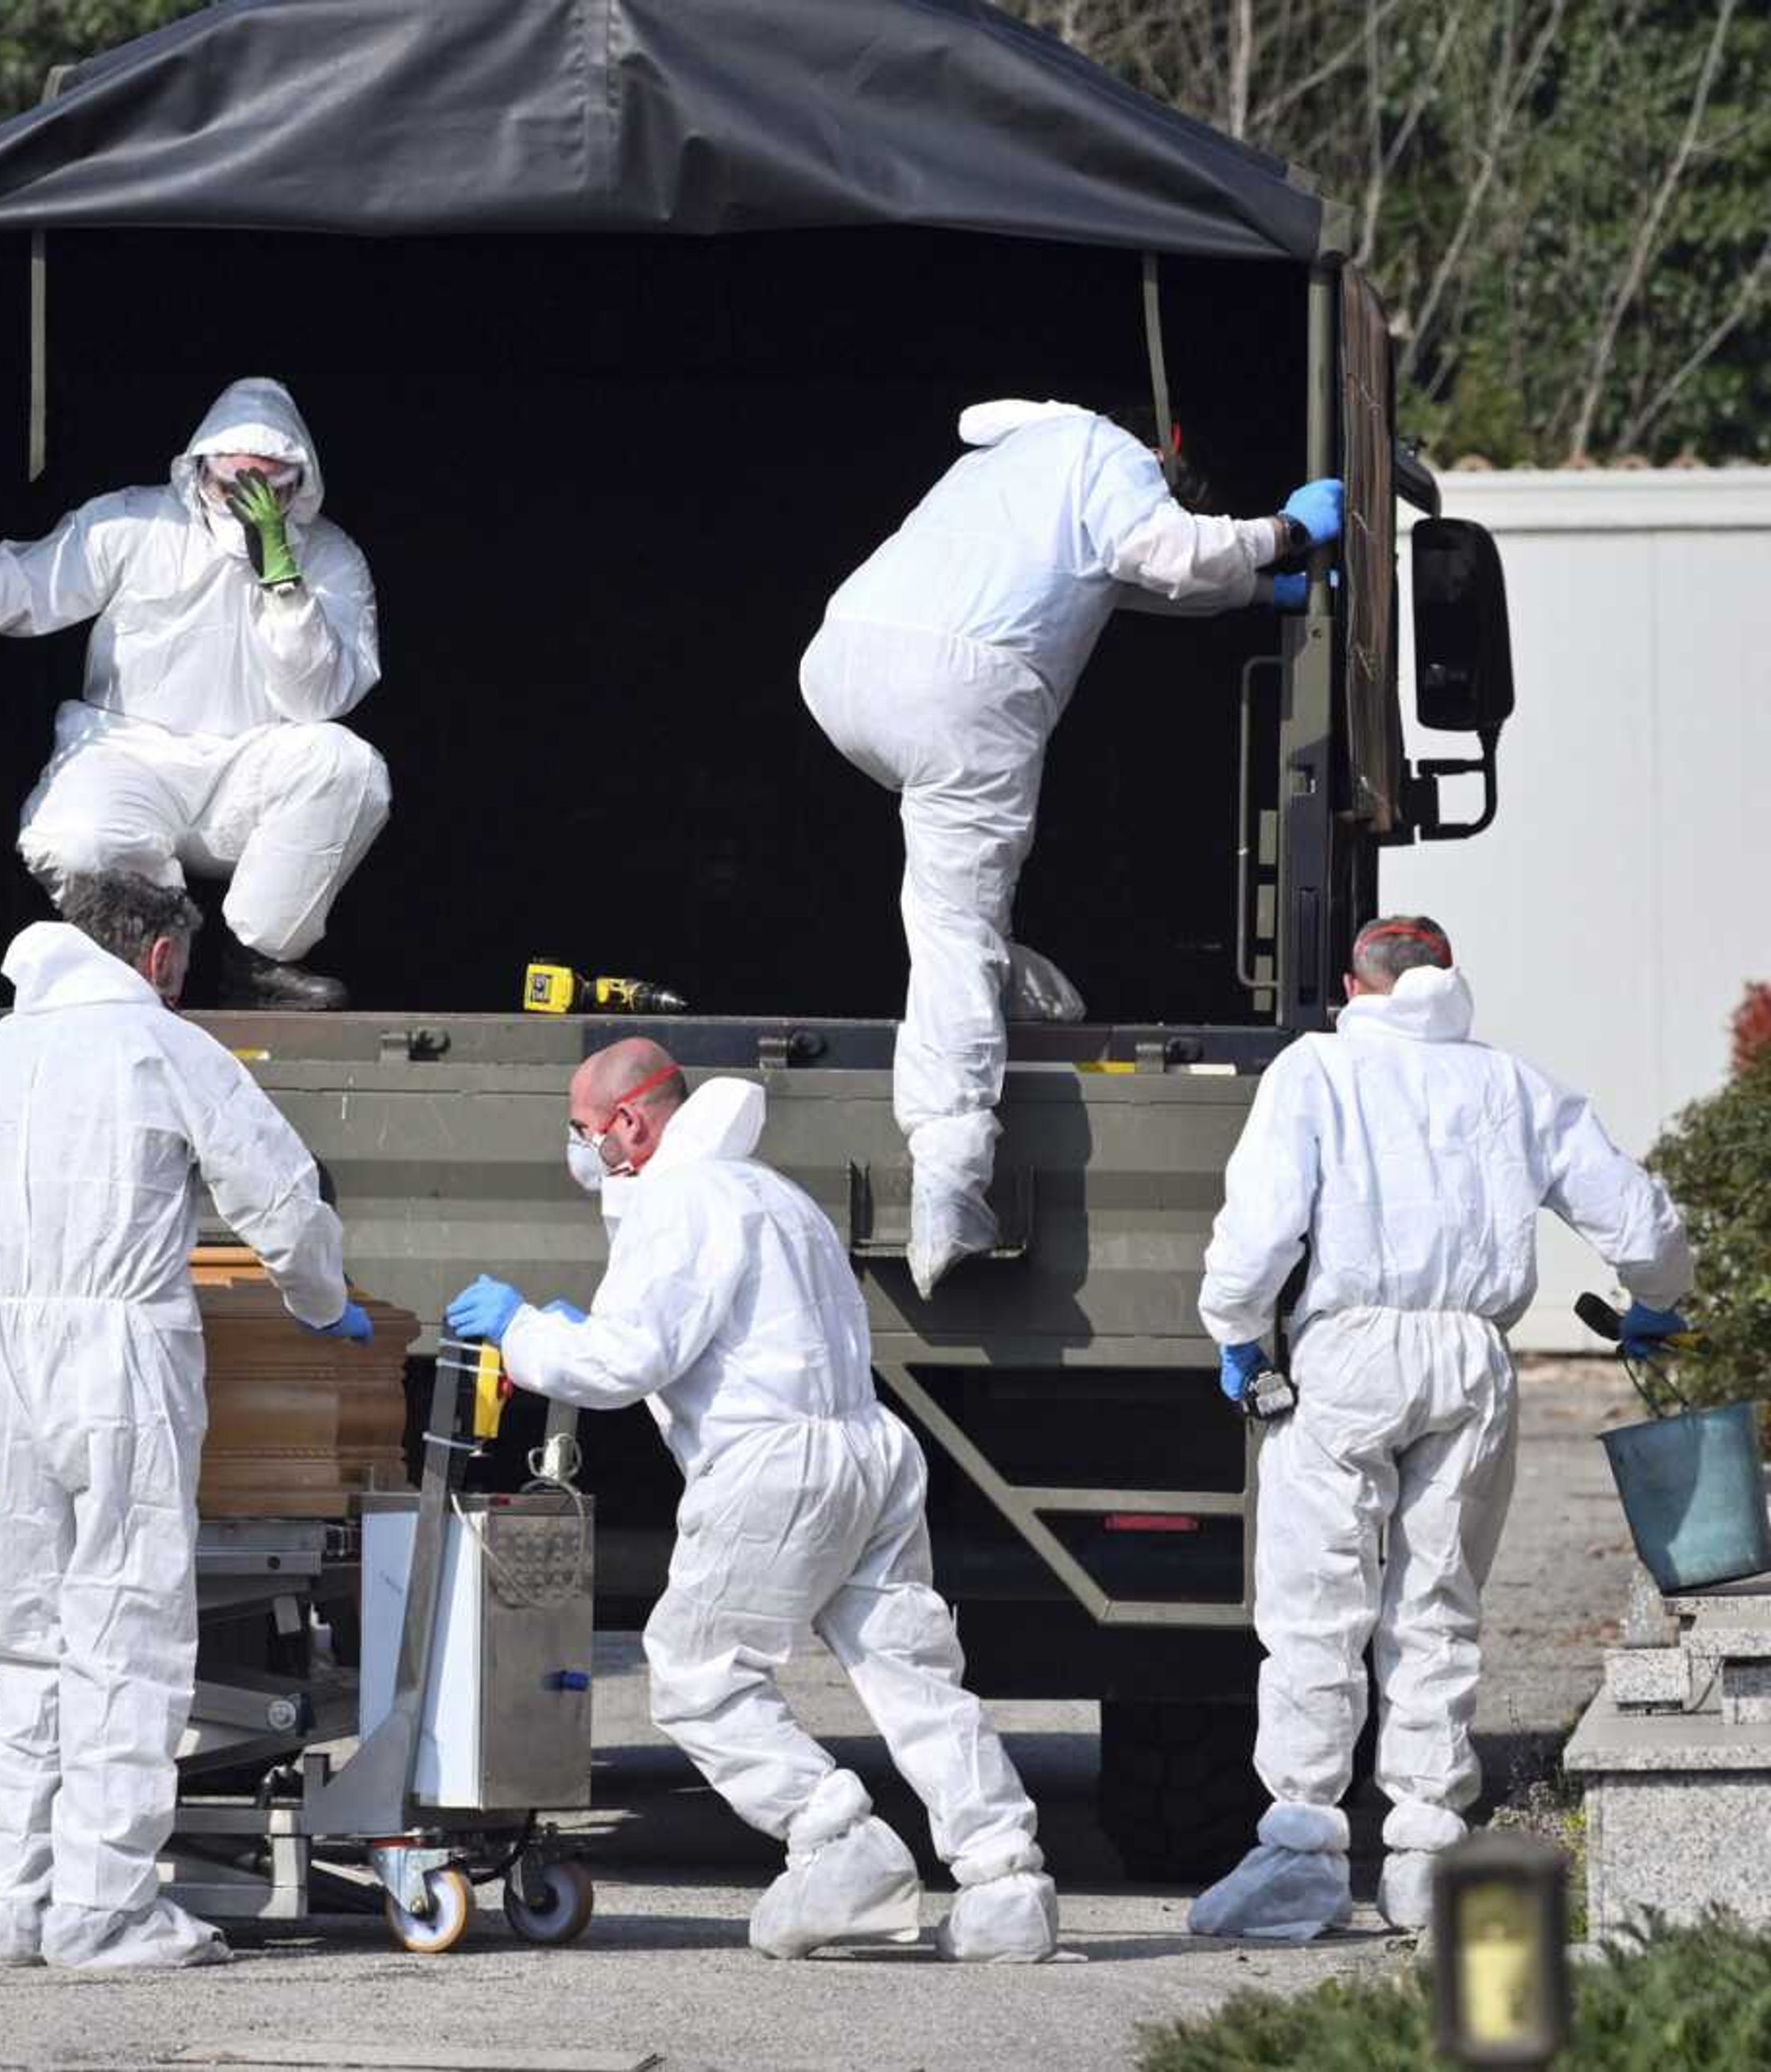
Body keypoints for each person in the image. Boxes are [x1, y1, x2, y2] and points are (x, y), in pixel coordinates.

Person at [445, 1038, 1058, 1962]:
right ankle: (1007, 1878)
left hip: (773, 1461)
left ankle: (838, 1844)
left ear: (628, 1121)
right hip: (869, 1449)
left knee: (697, 1674)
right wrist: (590, 1329)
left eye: (583, 1128)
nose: (581, 1149)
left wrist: (524, 1327)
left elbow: (623, 1363)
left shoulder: (682, 1197)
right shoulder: (776, 1192)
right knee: (912, 1671)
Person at [1189, 917, 1694, 1941]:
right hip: (1473, 1355)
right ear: (1451, 978)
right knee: (1435, 1600)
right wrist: (1655, 1301)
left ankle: (1299, 1854)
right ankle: (1423, 1851)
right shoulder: (1511, 1081)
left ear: (1353, 984)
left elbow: (1261, 1223)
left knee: (1317, 1603)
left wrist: (1238, 1332)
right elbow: (1639, 1220)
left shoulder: (1320, 1068)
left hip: (1348, 1354)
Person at [0, 870, 373, 1969]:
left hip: (2, 1352)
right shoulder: (161, 1048)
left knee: (27, 1632)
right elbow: (281, 1195)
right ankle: (105, 1910)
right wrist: (323, 1301)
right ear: (158, 957)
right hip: (116, 1351)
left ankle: (14, 1903)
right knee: (126, 1624)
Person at [800, 399, 1345, 1294]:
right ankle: (949, 1187)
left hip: (844, 666)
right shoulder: (1111, 452)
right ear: (1165, 451)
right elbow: (1164, 553)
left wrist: (1258, 592)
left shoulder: (1020, 461)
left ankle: (1004, 977)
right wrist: (1284, 532)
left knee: (950, 906)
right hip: (961, 688)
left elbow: (1125, 579)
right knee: (954, 926)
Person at [0, 376, 387, 1011]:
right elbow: (28, 587)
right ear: (201, 470)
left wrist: (282, 579)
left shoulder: (331, 558)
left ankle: (258, 963)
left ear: (298, 483)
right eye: (238, 483)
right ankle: (143, 972)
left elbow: (319, 699)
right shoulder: (135, 521)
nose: (251, 501)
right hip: (131, 753)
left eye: (270, 486)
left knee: (348, 766)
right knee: (74, 837)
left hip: (248, 767)